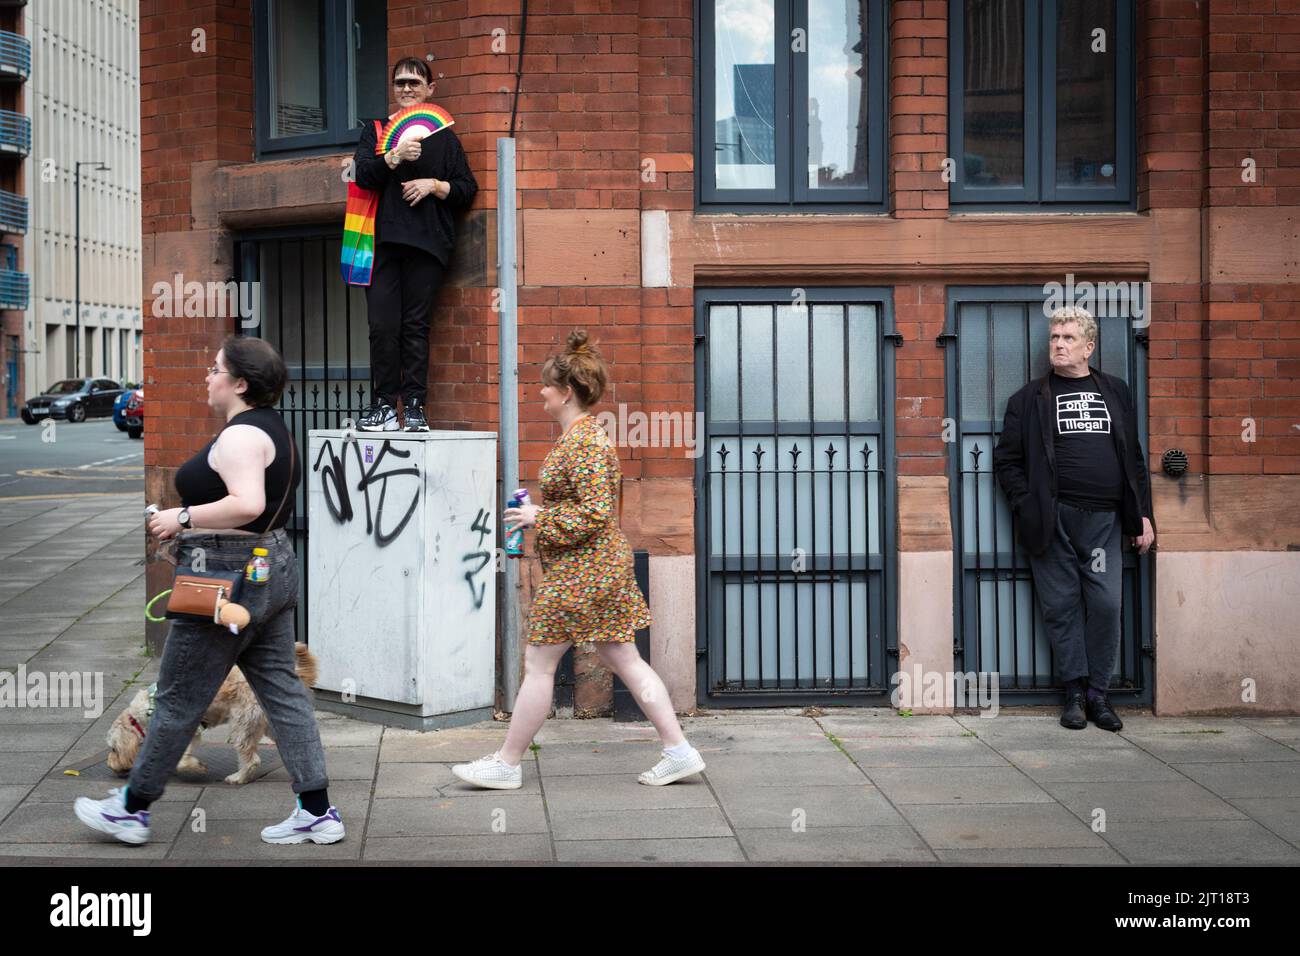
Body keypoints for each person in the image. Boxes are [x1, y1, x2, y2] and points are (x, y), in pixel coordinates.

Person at [74, 336, 344, 845]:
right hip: (271, 566)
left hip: (225, 574)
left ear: (240, 383)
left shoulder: (242, 437)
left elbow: (246, 503)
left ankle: (131, 810)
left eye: (215, 368)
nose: (207, 374)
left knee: (177, 697)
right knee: (283, 692)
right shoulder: (273, 430)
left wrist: (180, 517)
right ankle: (317, 811)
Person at [452, 330, 706, 789]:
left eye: (546, 386)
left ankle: (507, 763)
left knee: (539, 664)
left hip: (582, 573)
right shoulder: (583, 436)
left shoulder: (585, 441)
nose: (541, 393)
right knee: (624, 657)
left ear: (566, 391)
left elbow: (592, 511)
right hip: (598, 568)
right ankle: (678, 750)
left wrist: (538, 516)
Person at [993, 305, 1156, 732]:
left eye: (1067, 338)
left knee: (1104, 604)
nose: (1058, 345)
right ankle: (1075, 695)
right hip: (1052, 521)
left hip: (1105, 520)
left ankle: (1100, 695)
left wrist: (1142, 515)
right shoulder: (1027, 400)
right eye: (1054, 338)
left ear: (1089, 346)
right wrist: (1027, 503)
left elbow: (1134, 460)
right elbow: (1006, 461)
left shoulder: (1115, 392)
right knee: (1061, 606)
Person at [352, 56, 478, 432]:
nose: (406, 89)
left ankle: (416, 406)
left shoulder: (444, 137)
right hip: (380, 243)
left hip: (428, 243)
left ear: (430, 90)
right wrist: (392, 156)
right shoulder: (375, 132)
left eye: (415, 83)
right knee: (381, 324)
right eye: (400, 83)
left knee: (416, 326)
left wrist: (434, 186)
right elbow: (361, 175)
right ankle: (384, 406)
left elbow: (467, 189)